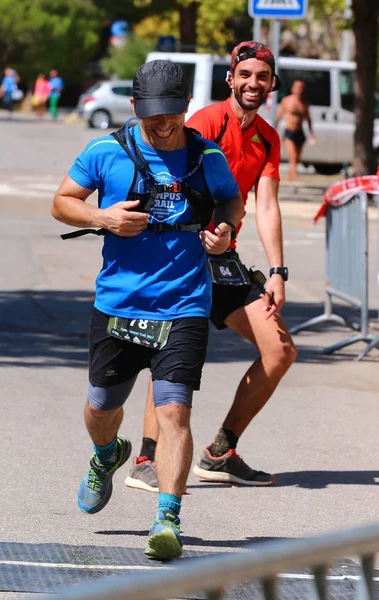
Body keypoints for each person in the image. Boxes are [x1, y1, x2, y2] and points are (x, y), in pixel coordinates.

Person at [51, 59, 243, 561]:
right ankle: (106, 455)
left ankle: (167, 519)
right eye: (153, 114)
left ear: (186, 108)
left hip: (184, 303)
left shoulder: (206, 156)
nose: (164, 124)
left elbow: (230, 202)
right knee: (100, 408)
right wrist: (102, 216)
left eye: (173, 114)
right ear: (135, 107)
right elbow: (62, 202)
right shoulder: (105, 151)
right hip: (118, 302)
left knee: (174, 410)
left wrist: (223, 233)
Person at [124, 41, 298, 494]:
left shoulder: (268, 137)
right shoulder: (205, 122)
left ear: (272, 84)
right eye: (245, 75)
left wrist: (277, 271)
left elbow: (266, 207)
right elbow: (167, 177)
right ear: (231, 79)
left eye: (262, 77)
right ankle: (145, 458)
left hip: (223, 259)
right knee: (168, 346)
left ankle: (220, 451)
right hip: (182, 255)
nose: (253, 83)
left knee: (280, 351)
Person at [275, 80, 315, 182]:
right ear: (293, 89)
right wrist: (273, 131)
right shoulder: (286, 101)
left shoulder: (304, 103)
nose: (299, 90)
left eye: (301, 88)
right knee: (292, 155)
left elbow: (308, 119)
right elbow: (278, 117)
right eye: (297, 87)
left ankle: (289, 177)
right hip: (289, 132)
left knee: (297, 158)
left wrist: (311, 133)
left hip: (300, 132)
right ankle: (295, 177)